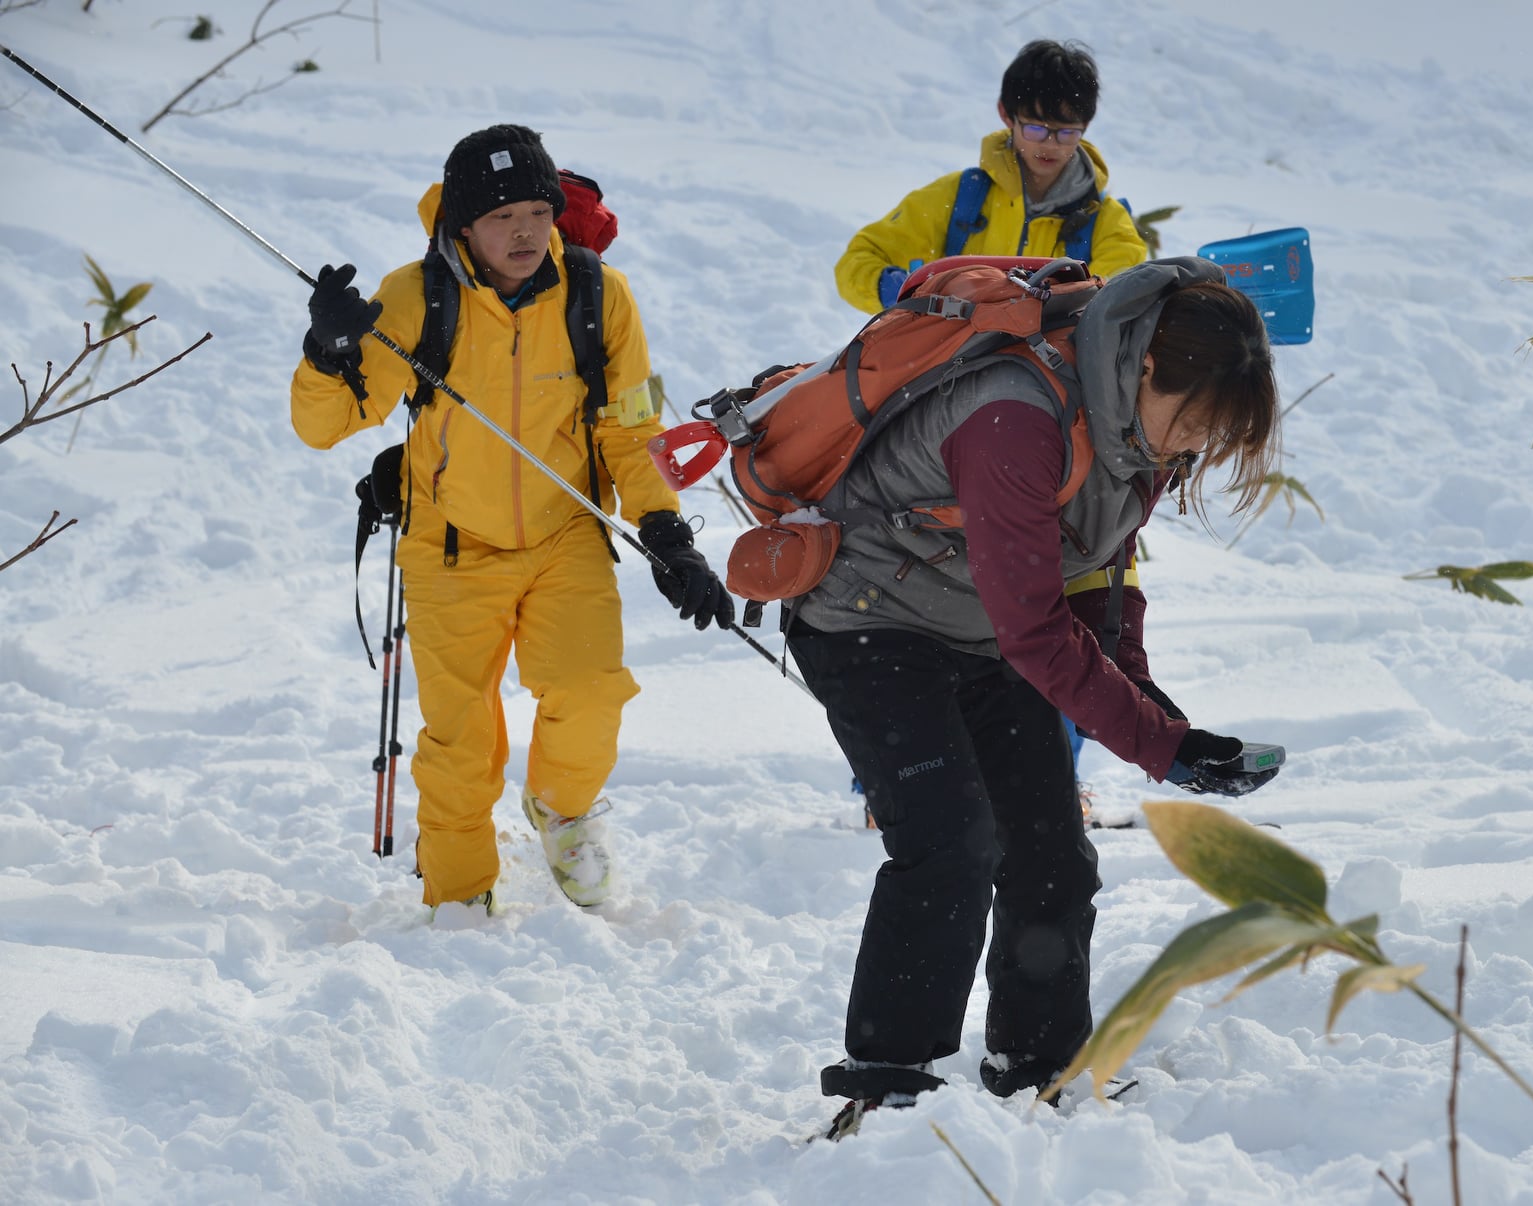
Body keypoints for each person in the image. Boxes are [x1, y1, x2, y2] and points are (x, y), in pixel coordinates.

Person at [791, 256, 1285, 1137]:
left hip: (983, 628)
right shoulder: (1015, 417)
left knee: (1051, 854)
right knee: (950, 841)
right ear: (1145, 367)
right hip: (868, 622)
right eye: (1195, 423)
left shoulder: (1134, 427)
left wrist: (1152, 708)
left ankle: (1039, 1067)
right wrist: (1161, 747)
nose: (1194, 448)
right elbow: (1036, 630)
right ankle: (886, 1085)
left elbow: (1094, 570)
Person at [290, 124, 733, 916]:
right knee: (459, 740)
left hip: (565, 537)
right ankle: (460, 895)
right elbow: (326, 426)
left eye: (537, 211)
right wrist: (329, 354)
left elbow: (632, 427)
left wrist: (666, 533)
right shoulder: (415, 296)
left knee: (591, 694)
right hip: (450, 544)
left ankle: (564, 815)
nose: (524, 232)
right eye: (502, 217)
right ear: (464, 226)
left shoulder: (600, 294)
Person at [834, 39, 1147, 315]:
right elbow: (857, 260)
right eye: (1036, 128)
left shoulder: (1107, 222)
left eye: (1067, 132)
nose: (1050, 144)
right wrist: (893, 289)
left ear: (1086, 127)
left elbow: (1119, 300)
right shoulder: (958, 198)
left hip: (1054, 363)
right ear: (1006, 114)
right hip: (953, 359)